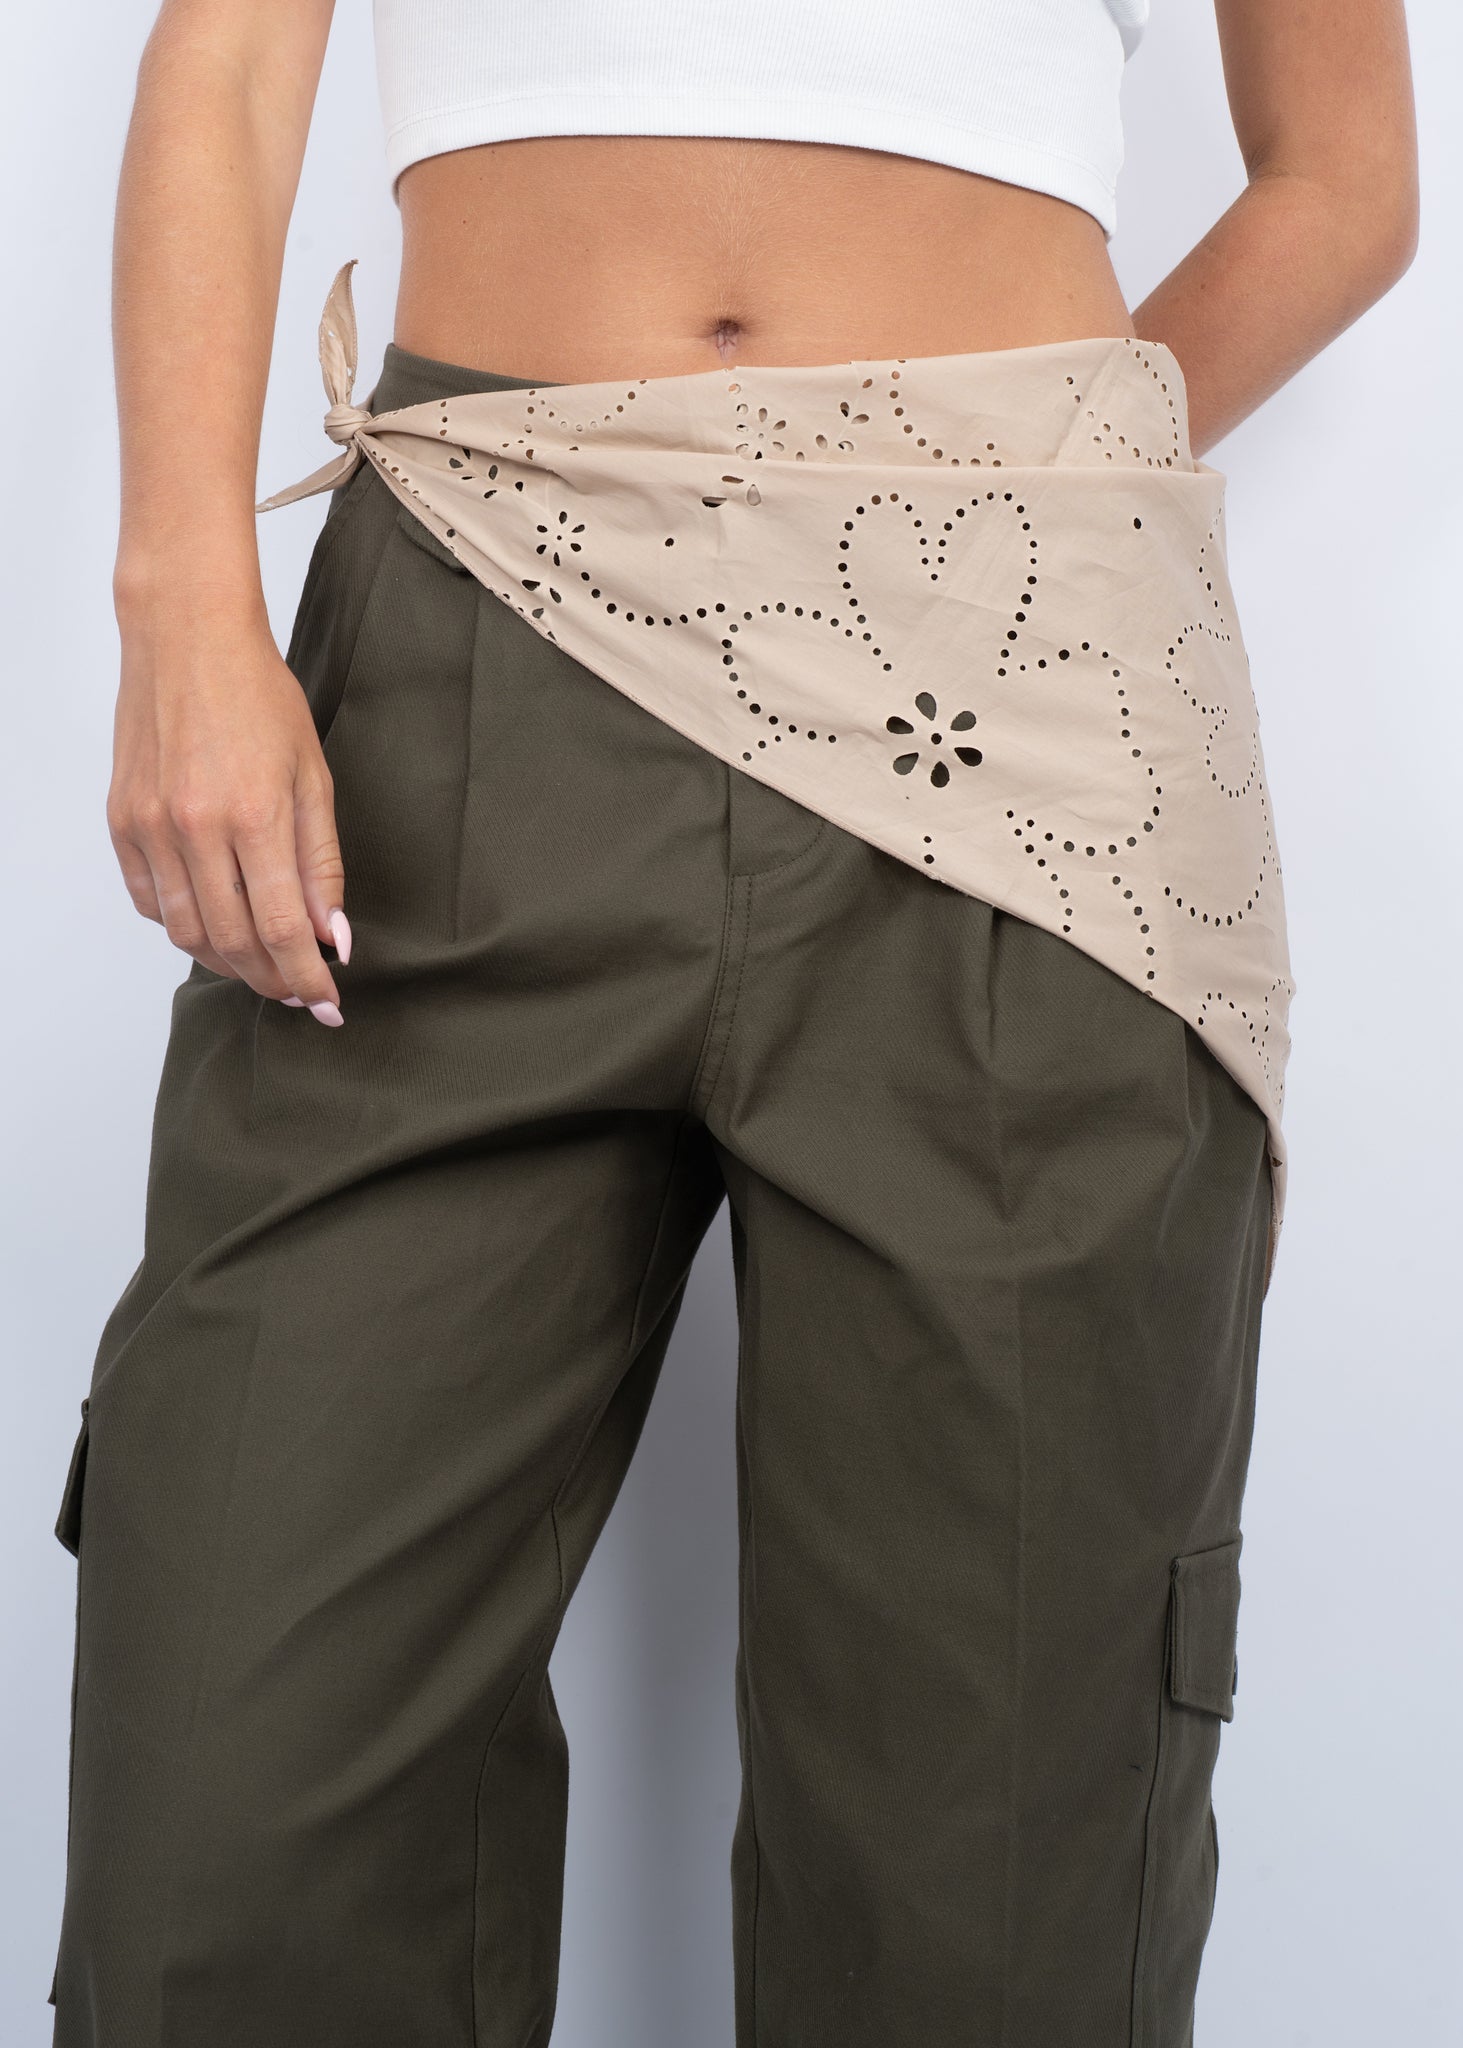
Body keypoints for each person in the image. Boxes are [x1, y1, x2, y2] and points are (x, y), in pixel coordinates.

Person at [49, 2, 1417, 2042]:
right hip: (465, 634)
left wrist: (995, 509)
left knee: (990, 1903)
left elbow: (1344, 178)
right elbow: (232, 57)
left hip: (1020, 719)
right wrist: (180, 604)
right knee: (228, 1822)